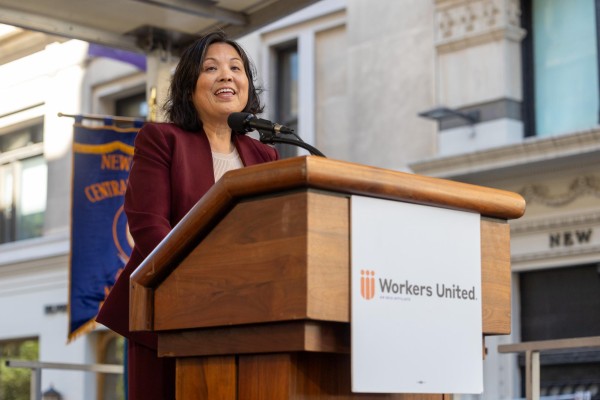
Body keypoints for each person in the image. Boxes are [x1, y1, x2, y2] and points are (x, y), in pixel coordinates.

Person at [96, 31, 279, 400]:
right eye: (211, 68)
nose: (227, 76)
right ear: (189, 87)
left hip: (247, 318)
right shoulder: (162, 139)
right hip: (166, 318)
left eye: (236, 68)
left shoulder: (265, 156)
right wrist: (207, 287)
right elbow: (150, 230)